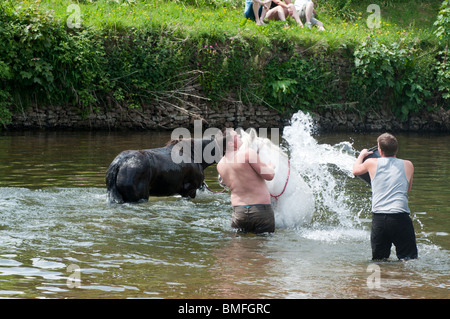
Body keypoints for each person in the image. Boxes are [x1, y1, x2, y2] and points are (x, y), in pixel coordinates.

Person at [352, 133, 418, 261]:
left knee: (379, 261)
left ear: (379, 150)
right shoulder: (408, 165)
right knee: (409, 260)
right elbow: (407, 189)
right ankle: (408, 281)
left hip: (379, 220)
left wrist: (362, 154)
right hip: (401, 218)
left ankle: (379, 280)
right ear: (396, 149)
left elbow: (355, 171)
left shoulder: (371, 163)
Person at [217, 129, 276, 234]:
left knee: (240, 247)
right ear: (230, 143)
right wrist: (270, 167)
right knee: (264, 247)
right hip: (260, 211)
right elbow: (269, 175)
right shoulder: (248, 154)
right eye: (236, 135)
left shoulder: (220, 165)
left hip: (239, 213)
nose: (240, 136)